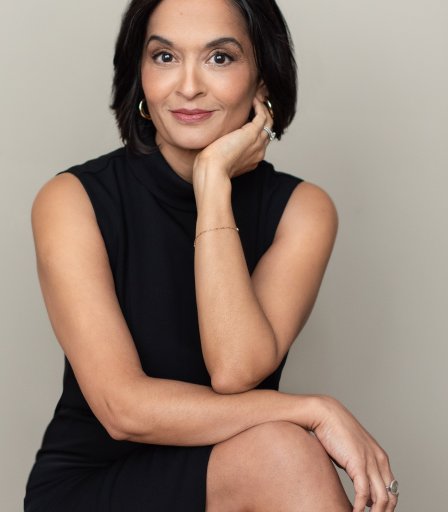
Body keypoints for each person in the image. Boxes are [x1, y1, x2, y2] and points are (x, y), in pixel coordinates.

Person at [24, 0, 399, 510]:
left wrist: (212, 182)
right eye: (164, 57)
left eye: (220, 58)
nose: (188, 85)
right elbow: (123, 410)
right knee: (285, 450)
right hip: (94, 485)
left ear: (262, 78)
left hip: (244, 469)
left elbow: (235, 370)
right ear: (140, 75)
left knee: (281, 452)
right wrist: (312, 410)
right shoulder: (72, 199)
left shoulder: (302, 210)